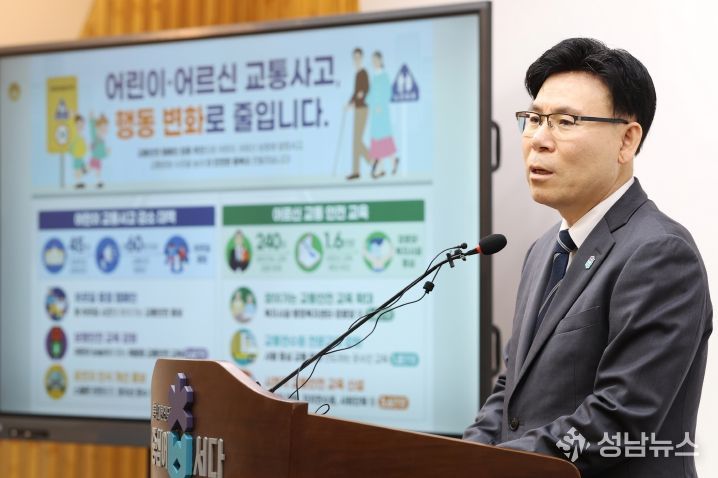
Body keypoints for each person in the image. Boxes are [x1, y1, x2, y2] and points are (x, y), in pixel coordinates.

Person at [463, 38, 712, 478]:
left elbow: (618, 419)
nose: (539, 140)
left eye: (565, 121)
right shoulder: (543, 250)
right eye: (533, 119)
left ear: (626, 140)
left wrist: (495, 466)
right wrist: (458, 459)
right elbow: (510, 392)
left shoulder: (660, 253)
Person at [365, 51, 399, 178]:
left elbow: (387, 94)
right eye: (373, 61)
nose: (374, 63)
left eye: (376, 60)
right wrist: (366, 100)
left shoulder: (384, 76)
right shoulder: (374, 76)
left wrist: (380, 105)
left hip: (382, 113)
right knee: (377, 141)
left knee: (384, 139)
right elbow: (371, 94)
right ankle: (381, 168)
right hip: (375, 114)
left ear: (381, 61)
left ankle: (393, 162)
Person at [346, 48, 372, 180]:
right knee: (355, 141)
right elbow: (355, 93)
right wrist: (349, 103)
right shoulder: (356, 74)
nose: (356, 59)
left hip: (363, 109)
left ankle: (372, 160)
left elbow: (366, 89)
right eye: (354, 57)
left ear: (361, 58)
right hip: (357, 108)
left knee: (357, 140)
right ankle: (356, 171)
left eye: (358, 57)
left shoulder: (364, 73)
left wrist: (361, 95)